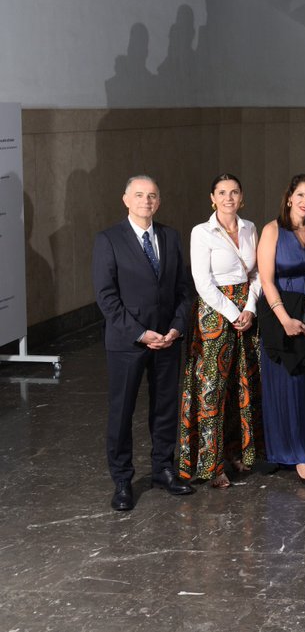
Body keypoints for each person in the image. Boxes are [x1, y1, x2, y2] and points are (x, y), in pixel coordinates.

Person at [93, 175, 196, 511]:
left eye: (152, 195)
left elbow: (184, 290)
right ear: (125, 199)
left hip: (167, 340)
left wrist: (177, 328)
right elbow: (106, 298)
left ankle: (163, 469)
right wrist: (139, 332)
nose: (146, 201)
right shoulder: (108, 240)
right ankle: (122, 480)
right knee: (122, 412)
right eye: (139, 195)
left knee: (165, 408)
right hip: (128, 343)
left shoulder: (170, 237)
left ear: (159, 201)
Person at [178, 173, 264, 488]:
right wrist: (233, 312)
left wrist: (250, 308)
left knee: (242, 384)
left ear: (242, 198)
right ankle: (210, 466)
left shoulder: (250, 228)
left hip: (247, 312)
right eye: (222, 192)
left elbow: (256, 274)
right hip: (215, 316)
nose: (229, 198)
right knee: (211, 389)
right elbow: (203, 282)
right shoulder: (201, 232)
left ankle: (238, 454)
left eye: (234, 192)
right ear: (212, 198)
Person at [257, 174, 305, 484]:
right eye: (300, 195)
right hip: (281, 316)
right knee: (287, 386)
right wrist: (284, 318)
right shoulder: (272, 230)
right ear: (289, 197)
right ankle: (295, 455)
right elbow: (266, 280)